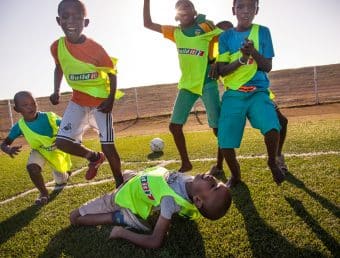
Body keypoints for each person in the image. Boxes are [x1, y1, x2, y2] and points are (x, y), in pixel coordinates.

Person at [209, 0, 285, 187]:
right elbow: (222, 70)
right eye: (240, 6)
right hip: (234, 94)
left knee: (272, 126)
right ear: (233, 10)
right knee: (225, 142)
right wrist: (243, 59)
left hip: (258, 92)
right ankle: (236, 176)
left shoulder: (263, 31)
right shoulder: (226, 37)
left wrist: (254, 52)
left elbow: (267, 66)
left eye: (250, 7)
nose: (245, 11)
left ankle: (272, 161)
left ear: (256, 10)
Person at [143, 0, 224, 174]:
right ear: (176, 15)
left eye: (188, 6)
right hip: (187, 86)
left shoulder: (205, 27)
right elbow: (147, 24)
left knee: (218, 129)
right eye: (181, 7)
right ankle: (186, 163)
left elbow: (226, 36)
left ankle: (219, 165)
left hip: (207, 83)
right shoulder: (175, 32)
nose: (184, 9)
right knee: (174, 126)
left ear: (195, 12)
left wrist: (217, 62)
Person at [50, 0, 124, 186]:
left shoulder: (95, 49)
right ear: (59, 21)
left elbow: (112, 73)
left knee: (108, 146)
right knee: (62, 142)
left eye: (77, 17)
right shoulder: (56, 47)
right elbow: (59, 67)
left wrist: (110, 100)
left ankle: (120, 184)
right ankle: (93, 157)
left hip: (100, 103)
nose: (71, 21)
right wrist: (56, 90)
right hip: (77, 101)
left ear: (86, 22)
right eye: (66, 17)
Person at [70, 166, 231, 248]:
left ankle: (121, 217)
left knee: (74, 217)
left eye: (213, 186)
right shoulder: (194, 187)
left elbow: (155, 241)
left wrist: (122, 233)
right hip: (137, 180)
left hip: (124, 196)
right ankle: (123, 211)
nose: (212, 178)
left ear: (197, 200)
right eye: (216, 182)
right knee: (126, 172)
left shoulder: (170, 200)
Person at [0, 91, 72, 205]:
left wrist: (62, 137)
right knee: (32, 167)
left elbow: (68, 125)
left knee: (61, 181)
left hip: (55, 150)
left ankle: (65, 173)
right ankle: (43, 193)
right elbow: (4, 144)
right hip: (39, 151)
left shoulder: (49, 117)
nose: (30, 107)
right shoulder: (19, 126)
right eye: (25, 105)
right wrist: (8, 149)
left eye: (33, 103)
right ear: (17, 109)